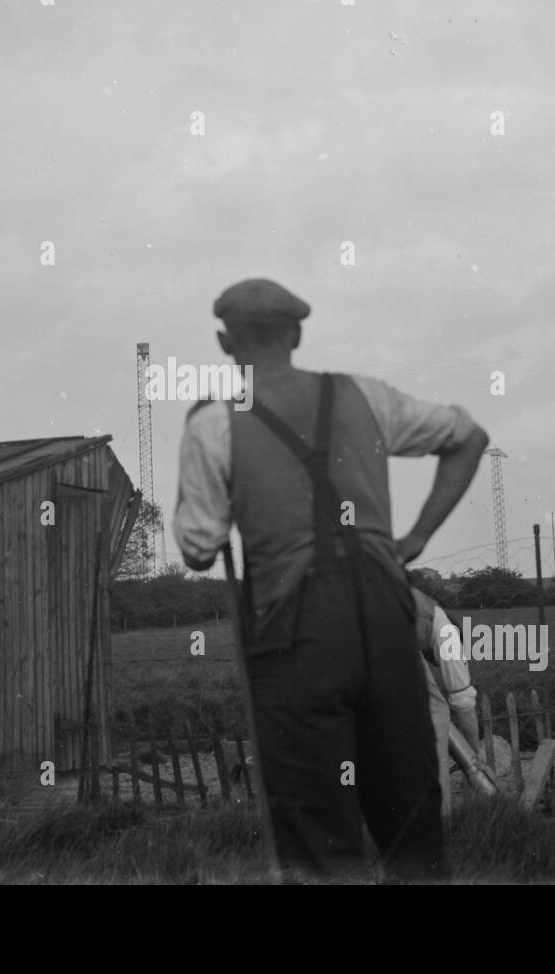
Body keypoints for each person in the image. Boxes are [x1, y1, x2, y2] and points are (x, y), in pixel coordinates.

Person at [174, 277, 489, 881]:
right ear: (296, 334)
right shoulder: (364, 397)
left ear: (224, 343)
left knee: (319, 844)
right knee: (414, 833)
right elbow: (468, 438)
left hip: (295, 634)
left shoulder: (214, 426)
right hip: (387, 621)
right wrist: (416, 537)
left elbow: (197, 548)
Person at [409, 580, 481, 816]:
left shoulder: (426, 613)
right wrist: (474, 767)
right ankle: (440, 814)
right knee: (436, 712)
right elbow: (464, 703)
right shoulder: (448, 636)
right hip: (387, 629)